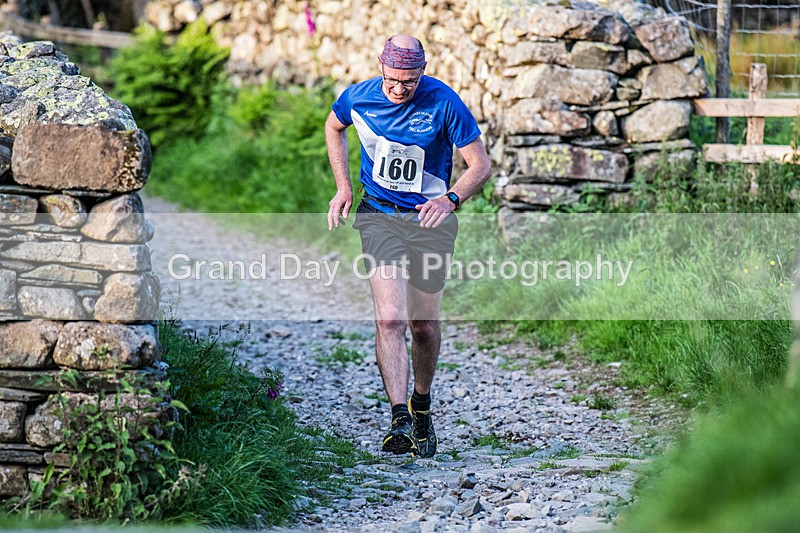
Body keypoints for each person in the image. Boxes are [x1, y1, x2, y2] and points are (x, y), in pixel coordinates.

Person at [325, 34, 492, 458]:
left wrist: (450, 198)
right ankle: (398, 416)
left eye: (409, 82)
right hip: (379, 216)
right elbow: (333, 127)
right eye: (393, 80)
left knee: (422, 326)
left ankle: (421, 404)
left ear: (422, 73)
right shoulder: (358, 97)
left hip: (429, 222)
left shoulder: (443, 101)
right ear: (381, 67)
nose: (399, 89)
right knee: (390, 320)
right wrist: (343, 187)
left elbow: (481, 166)